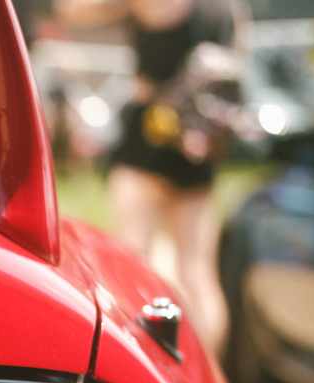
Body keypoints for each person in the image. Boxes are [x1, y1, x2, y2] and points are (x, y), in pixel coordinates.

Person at [55, 0, 245, 360]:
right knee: (198, 271)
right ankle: (209, 375)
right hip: (197, 143)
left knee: (131, 259)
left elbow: (71, 9)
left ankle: (135, 365)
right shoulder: (228, 9)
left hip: (150, 135)